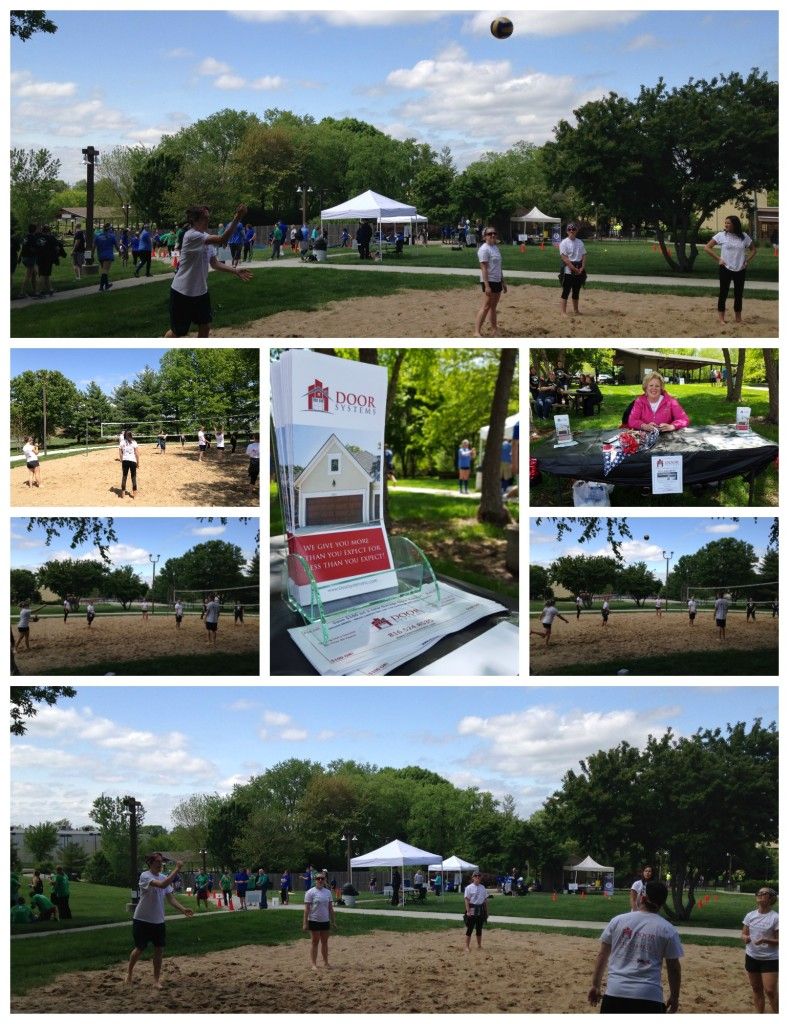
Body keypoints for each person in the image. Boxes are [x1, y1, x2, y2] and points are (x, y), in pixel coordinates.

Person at [588, 880, 682, 1013]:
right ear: (662, 903)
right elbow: (674, 968)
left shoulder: (618, 921)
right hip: (650, 996)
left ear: (642, 898)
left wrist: (595, 985)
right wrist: (674, 996)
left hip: (616, 993)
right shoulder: (667, 929)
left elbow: (602, 955)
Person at [165, 204, 252, 338]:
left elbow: (215, 263)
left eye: (208, 218)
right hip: (182, 293)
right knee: (178, 332)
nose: (207, 220)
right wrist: (237, 218)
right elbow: (223, 240)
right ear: (194, 220)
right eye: (204, 218)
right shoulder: (191, 236)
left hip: (201, 292)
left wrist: (235, 271)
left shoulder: (205, 237)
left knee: (205, 326)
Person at [127, 853, 193, 988]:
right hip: (142, 919)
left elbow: (171, 898)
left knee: (159, 950)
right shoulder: (145, 876)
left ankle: (156, 980)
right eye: (157, 861)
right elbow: (162, 885)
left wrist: (183, 909)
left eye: (161, 861)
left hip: (158, 920)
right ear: (150, 863)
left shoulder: (164, 877)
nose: (160, 864)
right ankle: (129, 973)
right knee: (139, 948)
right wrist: (177, 869)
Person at [703, 215, 756, 324]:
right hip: (725, 268)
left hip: (740, 269)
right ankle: (722, 319)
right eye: (725, 223)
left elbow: (753, 250)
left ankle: (738, 318)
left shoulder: (744, 237)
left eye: (728, 223)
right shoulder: (721, 235)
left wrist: (746, 261)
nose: (726, 225)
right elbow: (707, 247)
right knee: (723, 293)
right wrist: (719, 259)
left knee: (738, 294)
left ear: (735, 225)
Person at [742, 886, 779, 1013]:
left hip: (770, 959)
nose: (760, 894)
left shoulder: (776, 918)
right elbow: (744, 933)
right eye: (759, 892)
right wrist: (745, 938)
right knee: (756, 989)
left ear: (771, 898)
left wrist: (765, 940)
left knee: (770, 991)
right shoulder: (750, 915)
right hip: (752, 956)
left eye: (764, 893)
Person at [475, 227, 507, 337]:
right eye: (489, 234)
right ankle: (476, 332)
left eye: (494, 233)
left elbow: (499, 266)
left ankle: (494, 329)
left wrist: (503, 281)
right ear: (484, 237)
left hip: (497, 280)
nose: (492, 235)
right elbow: (483, 268)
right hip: (489, 281)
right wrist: (487, 285)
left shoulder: (495, 248)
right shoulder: (484, 249)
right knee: (486, 306)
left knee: (493, 307)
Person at [303, 872, 336, 970]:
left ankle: (326, 962)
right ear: (315, 880)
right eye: (318, 878)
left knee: (325, 942)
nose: (320, 880)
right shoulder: (310, 892)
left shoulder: (328, 892)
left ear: (325, 880)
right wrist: (305, 923)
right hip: (314, 920)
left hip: (325, 921)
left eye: (322, 878)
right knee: (315, 942)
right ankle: (314, 964)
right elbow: (306, 909)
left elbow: (330, 908)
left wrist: (333, 921)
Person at [559, 222, 587, 315]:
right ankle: (563, 312)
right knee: (566, 291)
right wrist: (574, 269)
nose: (571, 231)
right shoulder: (564, 243)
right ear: (567, 231)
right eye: (569, 229)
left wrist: (582, 267)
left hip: (579, 269)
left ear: (576, 231)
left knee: (576, 291)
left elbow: (584, 255)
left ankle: (576, 310)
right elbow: (565, 259)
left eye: (573, 229)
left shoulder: (580, 242)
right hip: (568, 270)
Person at [464, 870, 488, 951]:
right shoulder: (469, 888)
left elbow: (485, 900)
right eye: (476, 876)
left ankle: (479, 945)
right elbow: (467, 900)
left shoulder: (483, 887)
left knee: (479, 928)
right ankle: (467, 946)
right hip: (472, 909)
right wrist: (468, 911)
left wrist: (486, 911)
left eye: (479, 876)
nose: (477, 877)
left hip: (480, 910)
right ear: (473, 877)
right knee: (470, 929)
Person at [93, 222, 119, 292]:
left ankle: (107, 285)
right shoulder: (112, 236)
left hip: (100, 256)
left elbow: (94, 247)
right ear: (109, 229)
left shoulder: (98, 236)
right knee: (105, 271)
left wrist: (92, 255)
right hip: (108, 256)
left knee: (104, 270)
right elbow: (117, 246)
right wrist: (120, 252)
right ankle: (101, 287)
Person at [119, 429, 141, 499]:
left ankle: (123, 494)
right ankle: (135, 495)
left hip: (125, 461)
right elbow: (137, 453)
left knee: (124, 477)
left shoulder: (122, 442)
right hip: (132, 461)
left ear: (124, 434)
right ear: (131, 435)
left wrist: (122, 460)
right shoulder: (134, 442)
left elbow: (120, 452)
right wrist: (138, 462)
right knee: (133, 477)